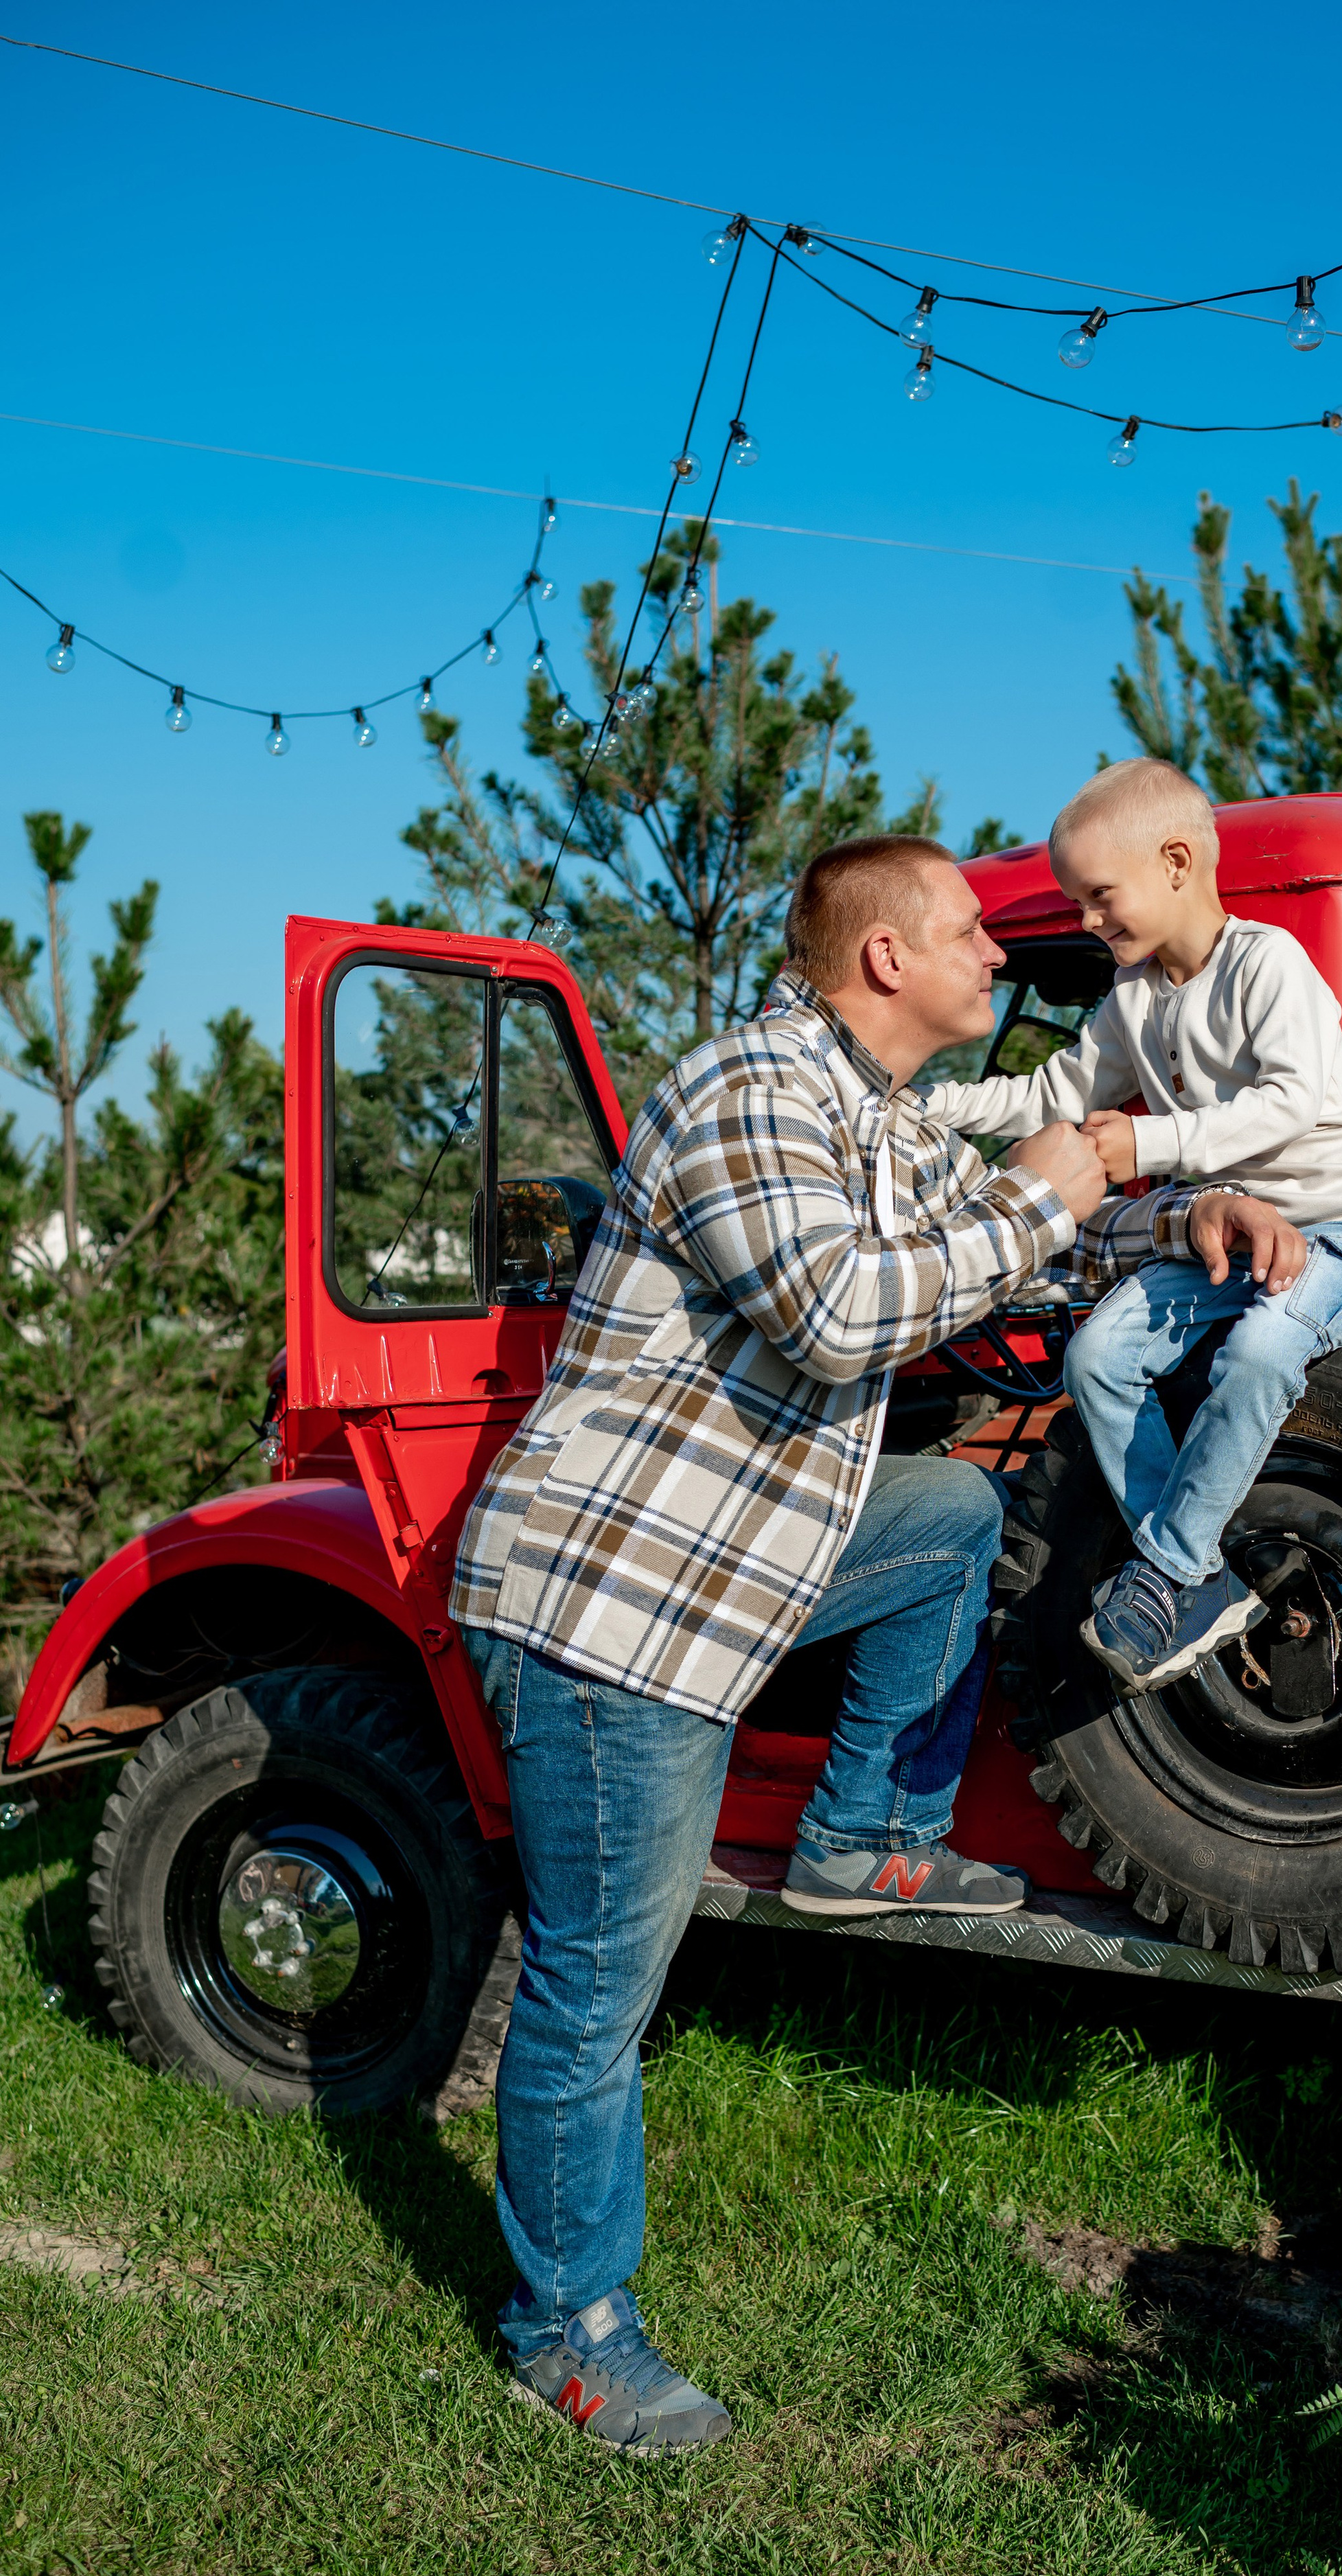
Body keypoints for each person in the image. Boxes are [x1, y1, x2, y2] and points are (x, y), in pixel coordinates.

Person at [449, 831, 1181, 2453]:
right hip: (617, 1609)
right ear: (882, 961)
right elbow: (847, 1309)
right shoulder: (743, 1092)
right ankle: (563, 2321)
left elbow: (1007, 1234)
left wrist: (1197, 1227)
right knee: (596, 1992)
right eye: (973, 933)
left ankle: (862, 1835)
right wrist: (1044, 1194)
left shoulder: (871, 1118)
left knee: (949, 1519)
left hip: (740, 1563)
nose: (1000, 957)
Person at [923, 757, 1342, 1694]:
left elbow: (1291, 1102)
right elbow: (1052, 1094)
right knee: (1099, 1356)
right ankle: (1196, 1569)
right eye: (1076, 905)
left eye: (1099, 897)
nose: (1086, 921)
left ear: (1180, 862)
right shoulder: (1136, 1000)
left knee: (1260, 1355)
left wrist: (1152, 1136)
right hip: (1231, 1236)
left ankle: (1167, 1573)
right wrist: (935, 1109)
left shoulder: (1266, 964)